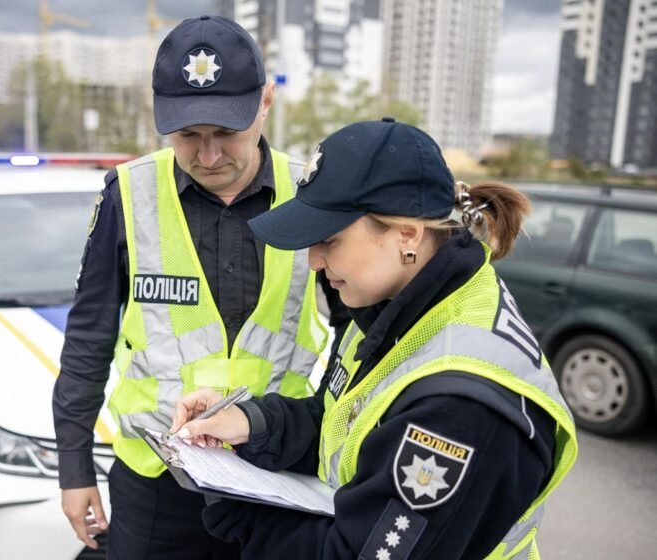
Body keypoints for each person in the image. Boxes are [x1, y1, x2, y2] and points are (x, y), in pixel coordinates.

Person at [171, 119, 579, 559]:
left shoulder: (462, 409)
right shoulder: (399, 306)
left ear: (407, 234)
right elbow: (342, 423)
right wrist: (253, 425)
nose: (313, 261)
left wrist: (232, 505)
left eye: (329, 239)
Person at [53, 15, 348, 559]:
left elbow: (358, 343)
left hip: (276, 478)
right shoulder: (128, 195)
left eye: (227, 134)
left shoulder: (313, 197)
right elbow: (89, 339)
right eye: (189, 136)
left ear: (266, 102)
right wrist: (73, 470)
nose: (209, 156)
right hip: (156, 486)